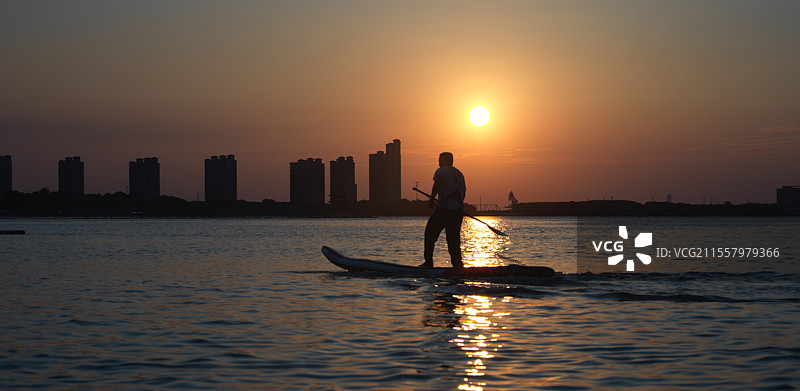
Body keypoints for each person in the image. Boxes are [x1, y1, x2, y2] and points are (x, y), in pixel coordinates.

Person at [420, 152, 466, 268]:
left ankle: (428, 263)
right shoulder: (459, 174)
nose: (438, 162)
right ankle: (458, 265)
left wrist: (431, 199)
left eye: (440, 159)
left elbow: (438, 183)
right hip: (458, 212)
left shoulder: (442, 171)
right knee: (453, 240)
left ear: (445, 160)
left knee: (430, 234)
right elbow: (463, 192)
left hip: (444, 210)